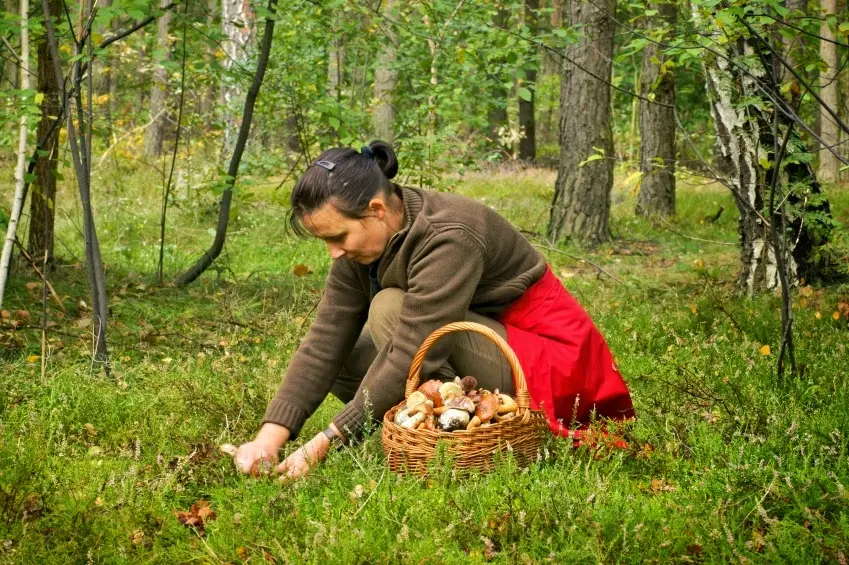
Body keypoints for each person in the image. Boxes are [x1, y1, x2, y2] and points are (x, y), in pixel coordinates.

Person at [231, 140, 634, 480]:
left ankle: (460, 440)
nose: (334, 252)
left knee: (390, 309)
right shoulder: (361, 246)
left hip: (550, 362)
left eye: (338, 237)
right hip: (484, 342)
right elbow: (325, 338)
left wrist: (326, 441)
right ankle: (437, 423)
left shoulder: (449, 235)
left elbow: (414, 347)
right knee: (345, 355)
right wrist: (270, 438)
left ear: (375, 209)